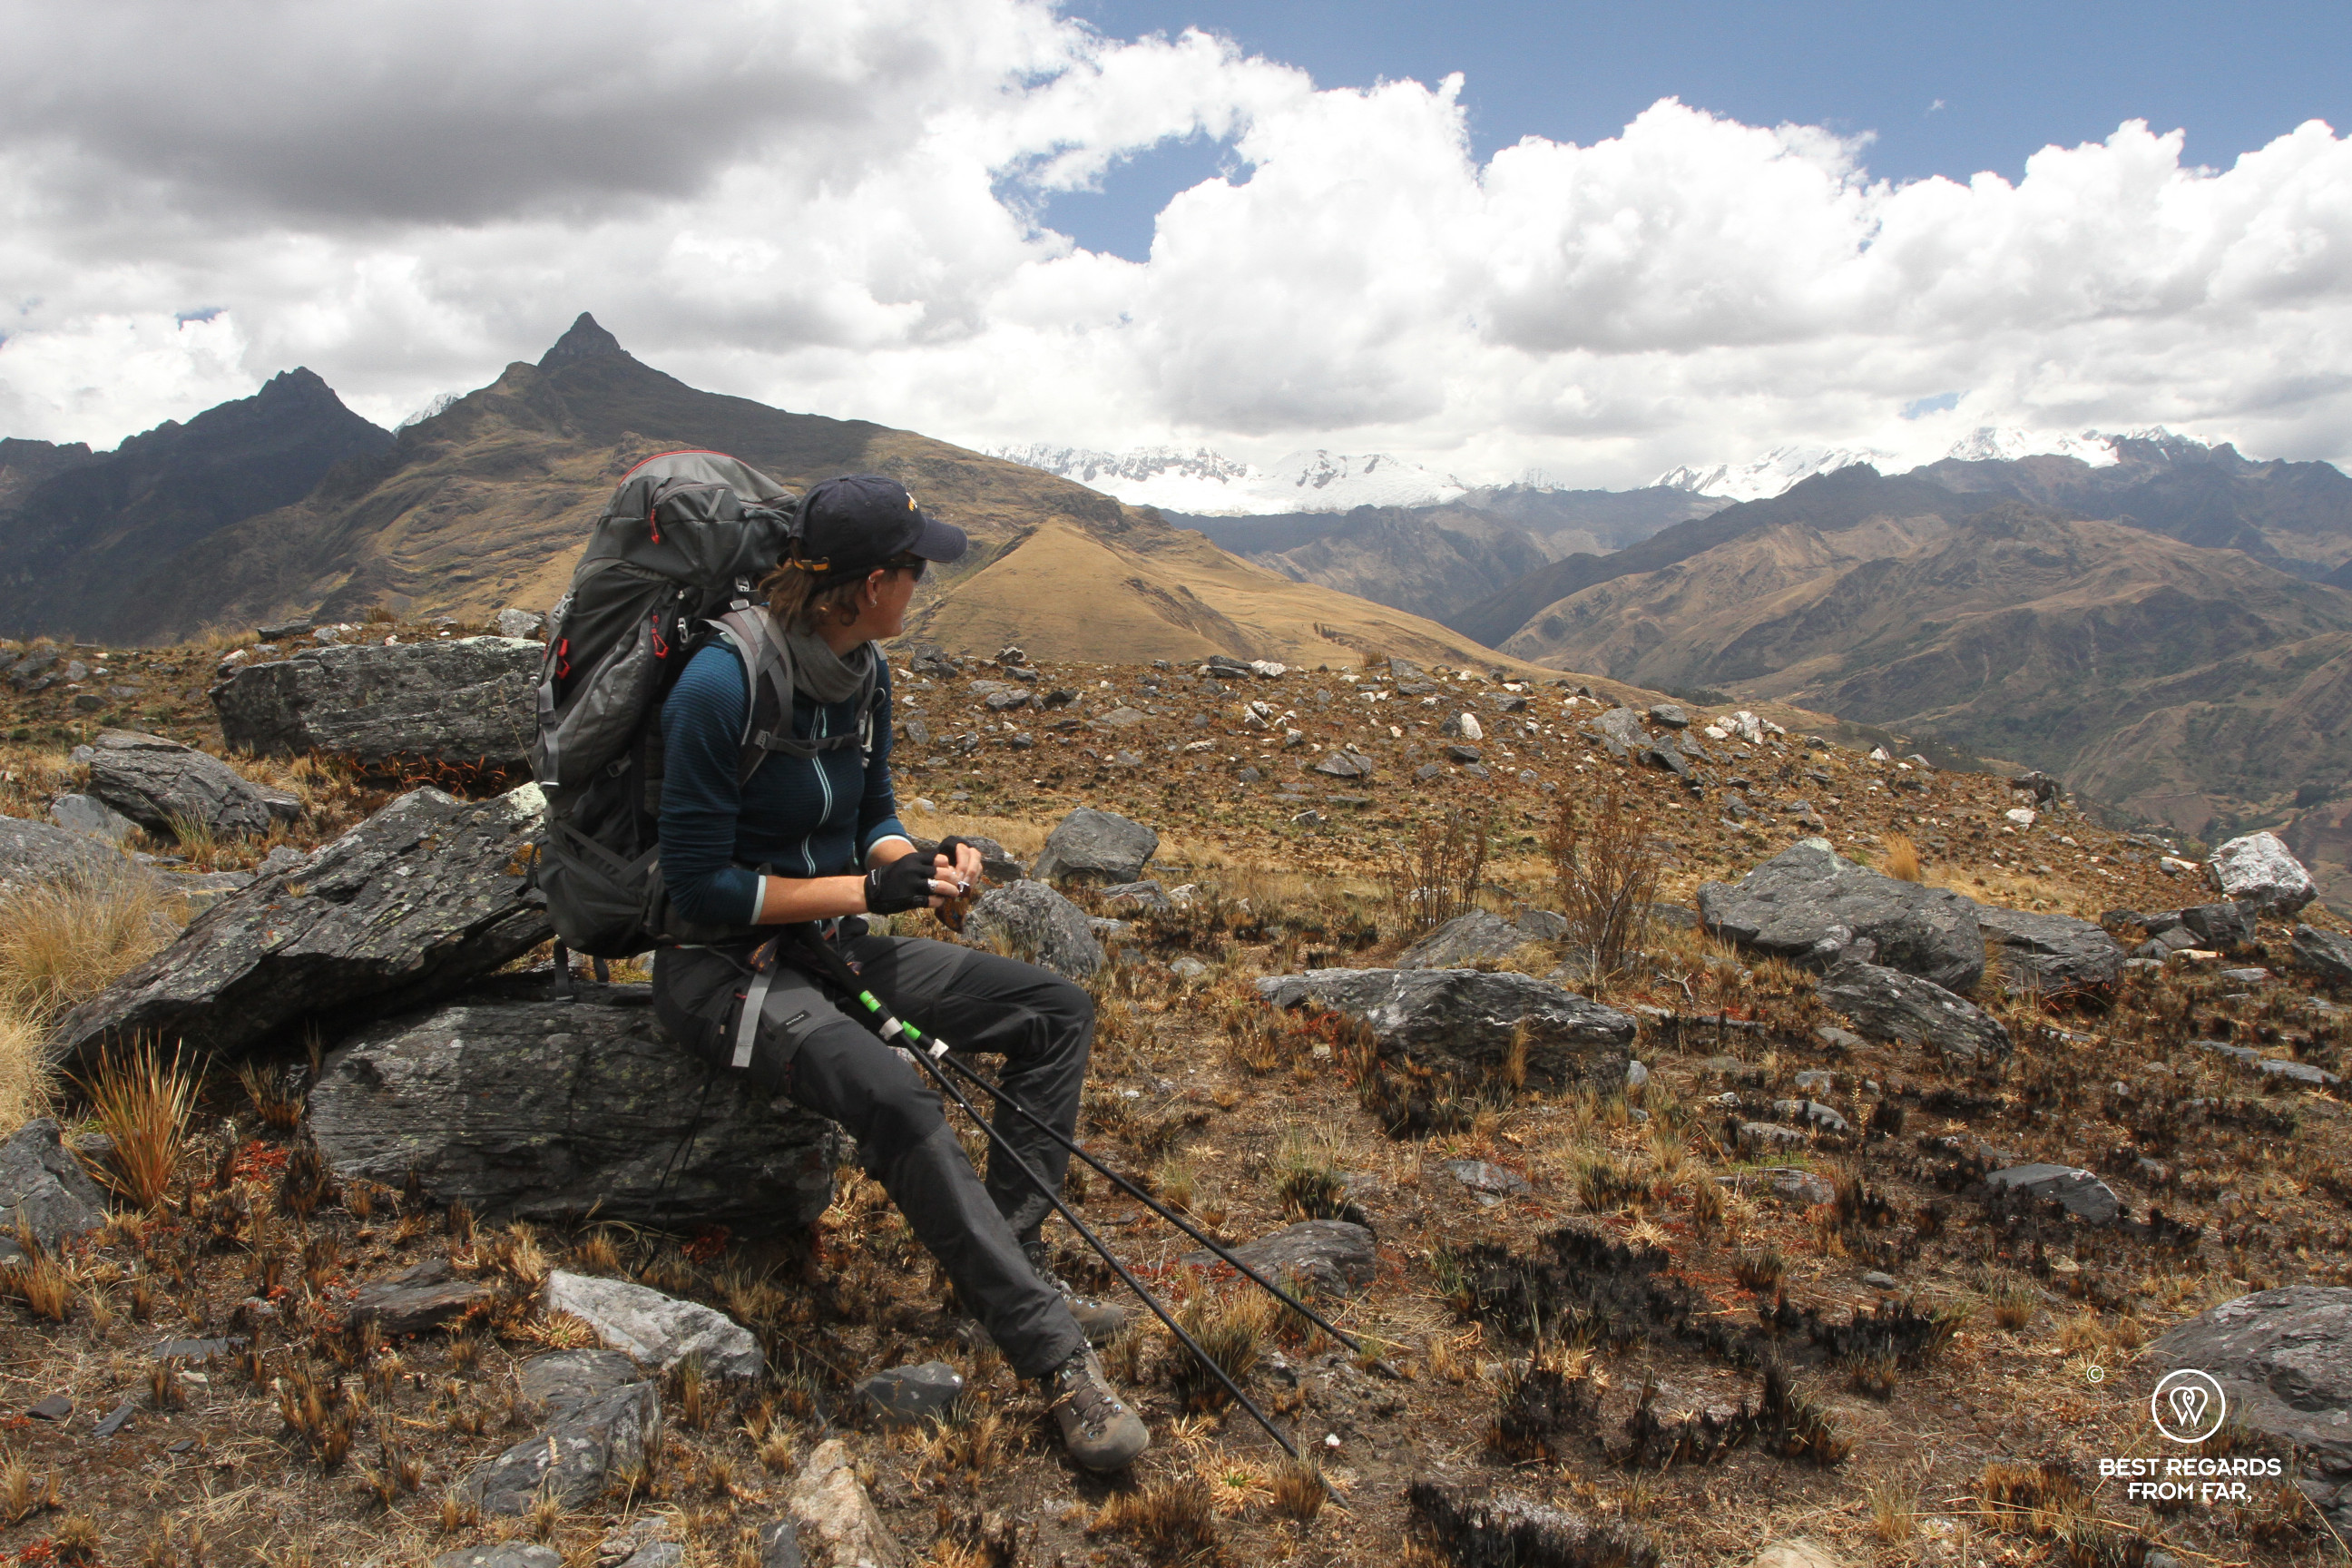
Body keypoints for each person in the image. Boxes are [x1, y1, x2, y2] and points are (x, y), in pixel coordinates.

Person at [647, 473, 1150, 1473]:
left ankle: (1008, 1267)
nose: (925, 583)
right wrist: (860, 895)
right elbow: (698, 889)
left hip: (834, 942)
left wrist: (919, 862)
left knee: (1055, 1010)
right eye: (917, 568)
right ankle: (1053, 1360)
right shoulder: (719, 684)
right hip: (724, 971)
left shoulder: (865, 672)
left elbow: (868, 817)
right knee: (896, 1093)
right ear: (873, 581)